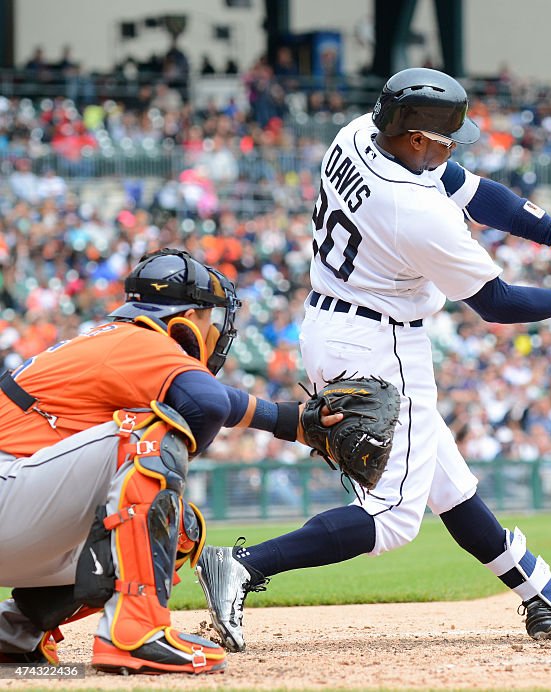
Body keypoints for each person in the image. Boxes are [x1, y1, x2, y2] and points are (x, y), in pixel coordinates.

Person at [196, 67, 551, 651]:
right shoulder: (413, 212)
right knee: (392, 518)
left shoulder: (358, 133)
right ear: (414, 139)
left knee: (450, 488)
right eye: (444, 138)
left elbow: (476, 191)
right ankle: (245, 565)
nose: (452, 146)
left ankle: (544, 599)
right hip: (381, 343)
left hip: (339, 324)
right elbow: (498, 304)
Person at [0, 249, 340, 674]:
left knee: (180, 527)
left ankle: (13, 634)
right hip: (10, 499)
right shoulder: (141, 339)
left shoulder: (116, 341)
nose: (214, 329)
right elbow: (208, 402)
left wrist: (288, 421)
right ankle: (135, 633)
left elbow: (217, 400)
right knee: (152, 434)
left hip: (16, 504)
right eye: (210, 317)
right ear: (189, 315)